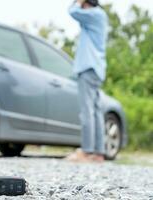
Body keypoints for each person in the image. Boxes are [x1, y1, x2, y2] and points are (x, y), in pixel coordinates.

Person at [66, 0, 108, 162]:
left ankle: (86, 151)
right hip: (96, 68)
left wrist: (78, 2)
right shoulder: (99, 16)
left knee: (87, 111)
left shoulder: (94, 14)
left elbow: (72, 11)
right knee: (96, 111)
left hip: (88, 68)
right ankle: (98, 153)